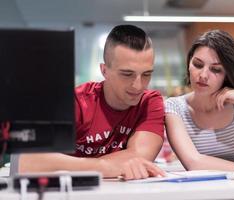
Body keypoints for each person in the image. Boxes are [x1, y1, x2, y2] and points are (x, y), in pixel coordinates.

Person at [17, 25, 165, 180]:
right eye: (127, 74)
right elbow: (27, 161)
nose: (138, 85)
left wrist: (68, 164)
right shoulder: (75, 102)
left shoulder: (150, 102)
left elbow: (138, 156)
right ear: (104, 70)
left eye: (147, 74)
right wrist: (102, 167)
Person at [165, 30, 234, 171]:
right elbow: (194, 163)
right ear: (189, 64)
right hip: (203, 190)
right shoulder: (174, 107)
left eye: (216, 69)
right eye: (198, 65)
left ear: (227, 74)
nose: (203, 75)